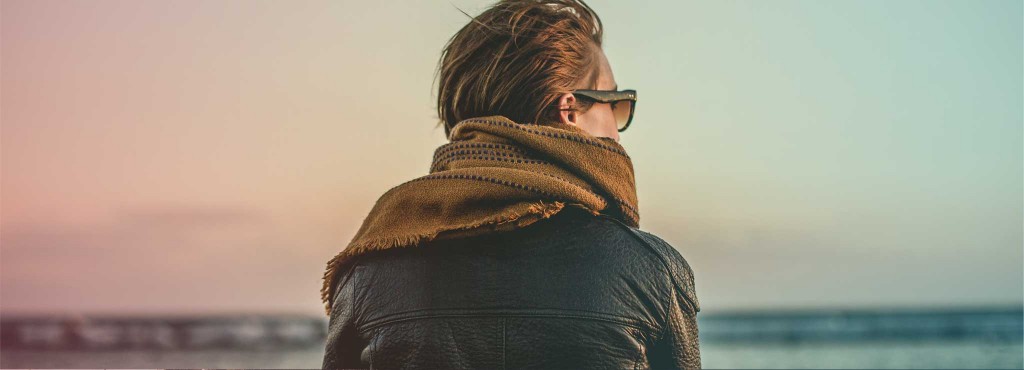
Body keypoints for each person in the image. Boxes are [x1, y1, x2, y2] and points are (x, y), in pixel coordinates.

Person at [321, 0, 701, 368]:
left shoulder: (366, 275)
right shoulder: (652, 272)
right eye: (615, 103)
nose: (617, 130)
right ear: (569, 110)